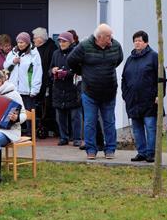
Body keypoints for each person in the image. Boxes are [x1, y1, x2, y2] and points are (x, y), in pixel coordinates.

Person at [67, 24, 123, 160]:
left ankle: (110, 149)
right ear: (99, 37)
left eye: (111, 36)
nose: (111, 39)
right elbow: (70, 61)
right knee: (90, 122)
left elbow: (118, 60)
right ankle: (91, 150)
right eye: (108, 36)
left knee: (109, 121)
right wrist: (82, 72)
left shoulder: (115, 46)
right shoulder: (84, 46)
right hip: (90, 92)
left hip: (109, 91)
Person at [122, 31, 159, 163]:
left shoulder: (154, 56)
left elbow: (160, 78)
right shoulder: (130, 59)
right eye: (135, 40)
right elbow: (124, 78)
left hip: (149, 100)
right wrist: (125, 94)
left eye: (140, 40)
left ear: (146, 42)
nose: (137, 43)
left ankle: (151, 153)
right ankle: (141, 152)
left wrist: (159, 95)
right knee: (137, 128)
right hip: (133, 100)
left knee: (150, 127)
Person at [3, 32, 42, 134]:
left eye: (23, 42)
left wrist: (35, 89)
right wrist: (13, 62)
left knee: (28, 111)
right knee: (13, 111)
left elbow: (37, 72)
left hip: (27, 89)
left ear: (28, 43)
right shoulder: (12, 53)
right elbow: (6, 68)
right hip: (14, 88)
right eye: (18, 42)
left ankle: (30, 133)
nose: (20, 44)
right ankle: (13, 131)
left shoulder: (34, 53)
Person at [50, 32, 82, 147]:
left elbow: (79, 70)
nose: (61, 43)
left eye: (64, 41)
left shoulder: (76, 53)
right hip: (59, 89)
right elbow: (50, 69)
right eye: (60, 41)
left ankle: (77, 138)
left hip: (73, 89)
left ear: (70, 42)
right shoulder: (55, 53)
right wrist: (53, 71)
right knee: (60, 117)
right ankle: (64, 137)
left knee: (75, 116)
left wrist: (66, 73)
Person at [32, 27, 58, 138]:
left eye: (34, 38)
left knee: (48, 107)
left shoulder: (51, 48)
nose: (33, 40)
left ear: (40, 39)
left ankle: (51, 129)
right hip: (38, 82)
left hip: (48, 83)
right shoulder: (35, 49)